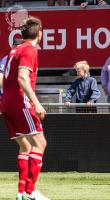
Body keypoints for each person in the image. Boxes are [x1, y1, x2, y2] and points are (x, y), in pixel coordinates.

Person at [1, 17, 50, 200]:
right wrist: (36, 102)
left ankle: (21, 193)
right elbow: (22, 78)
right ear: (40, 33)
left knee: (26, 146)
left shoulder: (15, 49)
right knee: (40, 143)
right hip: (20, 103)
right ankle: (31, 192)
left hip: (7, 103)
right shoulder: (30, 49)